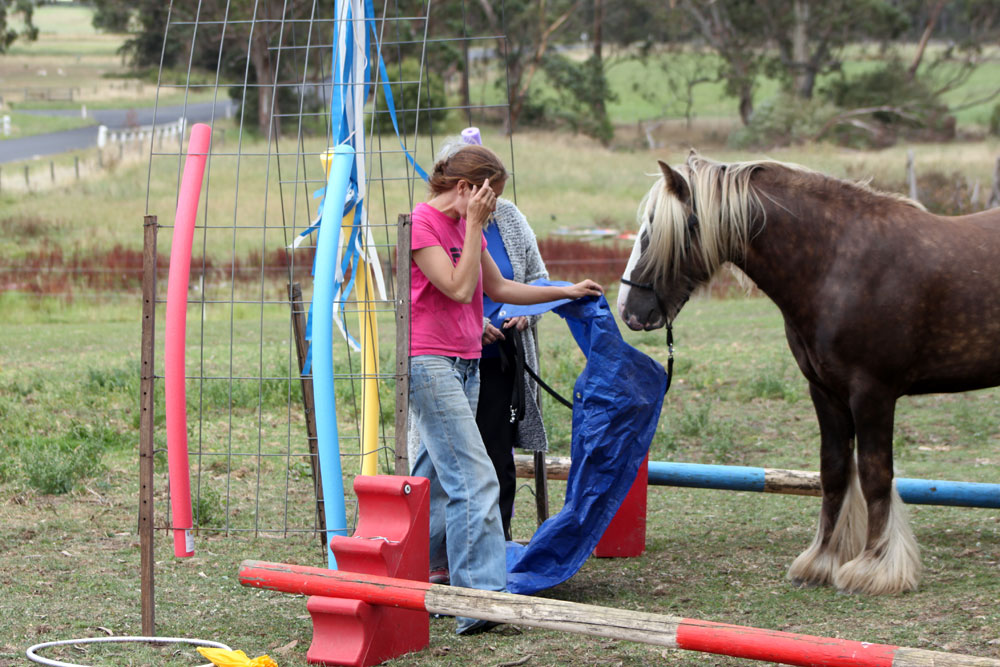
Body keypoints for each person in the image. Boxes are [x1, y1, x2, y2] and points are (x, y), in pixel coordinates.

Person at [407, 143, 602, 635]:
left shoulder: (464, 227)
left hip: (467, 363)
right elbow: (454, 286)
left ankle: (433, 573)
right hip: (429, 363)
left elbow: (499, 289)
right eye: (491, 195)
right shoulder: (424, 223)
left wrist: (564, 291)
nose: (495, 207)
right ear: (467, 188)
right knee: (476, 478)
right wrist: (473, 226)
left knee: (434, 474)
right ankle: (480, 601)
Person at [477, 196, 550, 542]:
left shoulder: (509, 217)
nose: (493, 198)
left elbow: (538, 278)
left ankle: (498, 543)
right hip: (452, 363)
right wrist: (469, 324)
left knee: (498, 459)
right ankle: (445, 550)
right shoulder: (439, 223)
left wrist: (527, 312)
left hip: (503, 360)